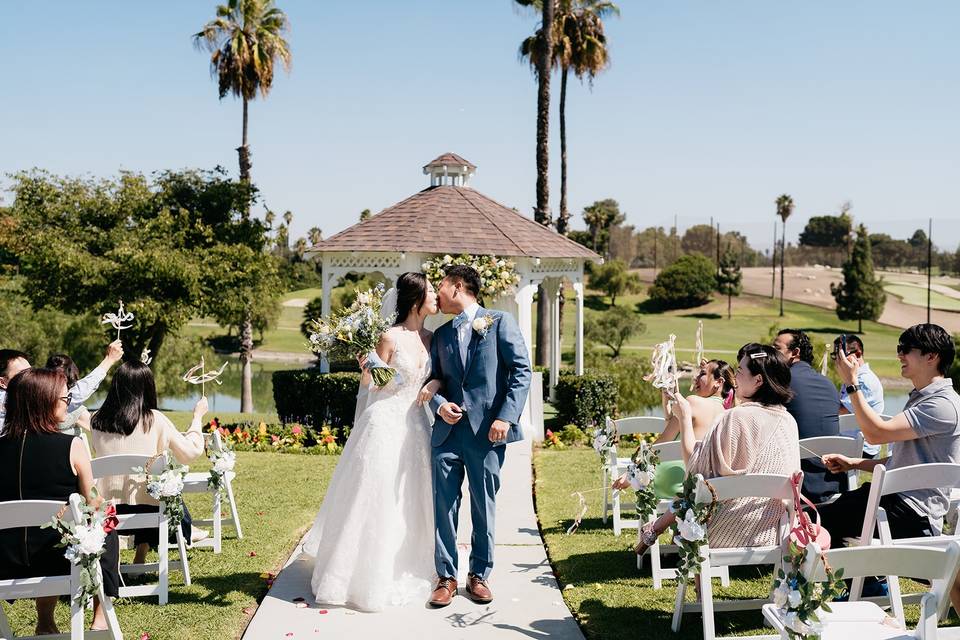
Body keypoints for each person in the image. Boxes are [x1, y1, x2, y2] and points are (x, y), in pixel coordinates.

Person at [303, 272, 441, 612]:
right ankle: (362, 575)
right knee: (376, 495)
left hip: (417, 426)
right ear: (415, 299)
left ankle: (413, 562)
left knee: (412, 496)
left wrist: (434, 385)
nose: (436, 297)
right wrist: (368, 366)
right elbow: (372, 385)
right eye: (432, 292)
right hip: (385, 423)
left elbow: (436, 374)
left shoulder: (432, 337)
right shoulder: (388, 336)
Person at [820, 323, 960, 608]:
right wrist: (855, 463)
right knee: (947, 575)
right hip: (901, 502)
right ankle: (869, 585)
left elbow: (875, 433)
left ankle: (864, 587)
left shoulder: (942, 405)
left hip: (910, 509)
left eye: (905, 350)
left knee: (819, 522)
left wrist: (851, 383)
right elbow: (904, 463)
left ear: (931, 356)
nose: (899, 356)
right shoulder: (926, 399)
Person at [424, 265, 531, 607]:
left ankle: (479, 575)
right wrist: (439, 405)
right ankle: (446, 577)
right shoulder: (440, 336)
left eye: (440, 287)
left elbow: (521, 372)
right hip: (447, 434)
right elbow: (434, 379)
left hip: (487, 434)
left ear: (457, 287)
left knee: (484, 505)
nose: (437, 294)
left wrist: (505, 416)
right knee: (444, 505)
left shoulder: (500, 322)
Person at [634, 344, 800, 555]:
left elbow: (695, 472)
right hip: (772, 529)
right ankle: (656, 529)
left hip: (722, 529)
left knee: (692, 493)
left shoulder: (734, 417)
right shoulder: (789, 421)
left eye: (740, 371)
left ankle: (657, 532)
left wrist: (684, 418)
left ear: (758, 380)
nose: (735, 376)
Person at [0, 368, 120, 635]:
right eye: (65, 398)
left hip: (5, 560)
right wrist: (102, 503)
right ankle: (100, 616)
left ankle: (45, 620)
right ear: (43, 401)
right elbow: (93, 501)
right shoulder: (71, 446)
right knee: (106, 519)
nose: (69, 403)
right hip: (60, 559)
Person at [90, 361, 209, 563]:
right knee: (152, 491)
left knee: (142, 487)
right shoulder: (155, 420)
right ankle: (182, 531)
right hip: (151, 513)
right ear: (147, 388)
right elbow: (190, 453)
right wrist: (197, 417)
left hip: (108, 511)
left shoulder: (96, 420)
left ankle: (140, 552)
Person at [613, 359, 735, 500]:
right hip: (706, 486)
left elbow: (664, 441)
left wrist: (631, 474)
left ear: (719, 382)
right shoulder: (728, 414)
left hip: (673, 482)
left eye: (702, 373)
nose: (695, 378)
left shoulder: (692, 402)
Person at [772, 328, 843, 503]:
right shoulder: (829, 384)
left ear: (795, 353)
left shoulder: (781, 382)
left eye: (776, 349)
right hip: (834, 481)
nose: (771, 355)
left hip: (797, 484)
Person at [0, 340, 123, 433]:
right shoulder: (19, 399)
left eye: (31, 371)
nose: (31, 377)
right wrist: (108, 360)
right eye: (22, 374)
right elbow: (75, 395)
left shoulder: (22, 396)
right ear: (3, 382)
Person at [834, 334, 885, 458]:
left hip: (862, 446)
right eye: (835, 356)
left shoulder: (863, 380)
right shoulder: (854, 376)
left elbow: (841, 411)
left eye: (841, 356)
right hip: (850, 441)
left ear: (857, 353)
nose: (837, 360)